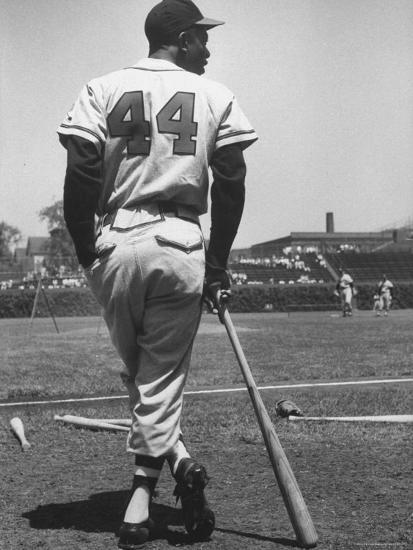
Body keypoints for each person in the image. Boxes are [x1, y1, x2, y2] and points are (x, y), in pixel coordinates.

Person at [57, 1, 257, 548]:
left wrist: (85, 250)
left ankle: (180, 464)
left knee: (143, 377)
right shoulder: (217, 94)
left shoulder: (101, 86)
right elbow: (232, 182)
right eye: (202, 38)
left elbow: (80, 170)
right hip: (181, 243)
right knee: (157, 378)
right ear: (182, 38)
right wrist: (217, 265)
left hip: (115, 242)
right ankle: (141, 501)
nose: (208, 48)